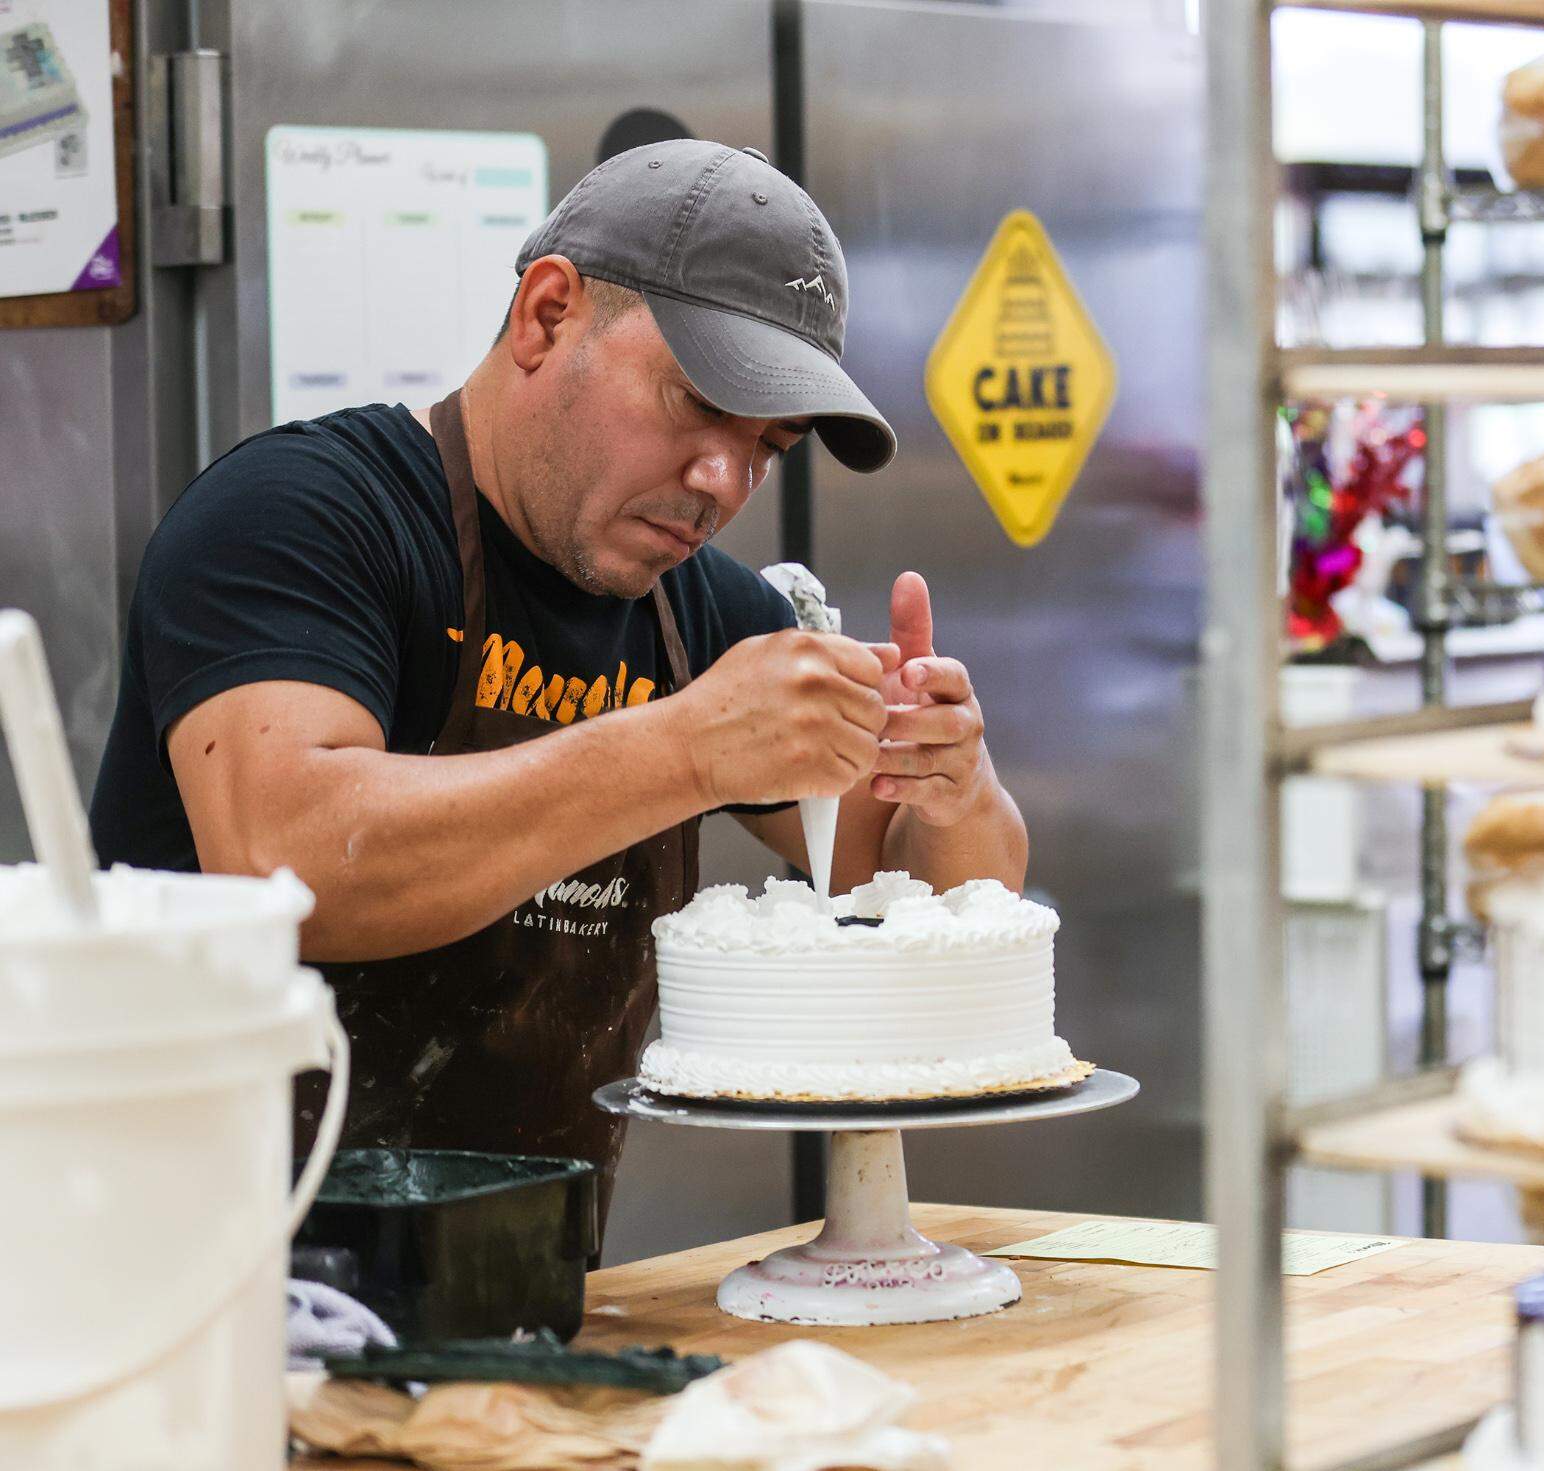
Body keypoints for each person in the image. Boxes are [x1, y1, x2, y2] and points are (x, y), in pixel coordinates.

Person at [89, 140, 1027, 1186]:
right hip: (212, 1281)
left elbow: (920, 890)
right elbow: (287, 858)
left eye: (772, 443)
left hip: (530, 1291)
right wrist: (687, 748)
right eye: (696, 402)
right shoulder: (300, 517)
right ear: (546, 314)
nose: (724, 478)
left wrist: (951, 781)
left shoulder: (704, 613)